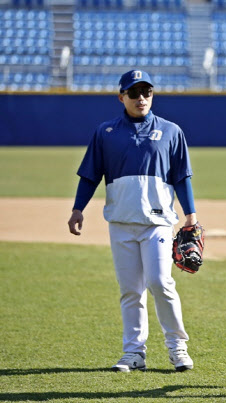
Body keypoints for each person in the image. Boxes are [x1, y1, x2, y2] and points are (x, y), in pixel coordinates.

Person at [67, 70, 199, 373]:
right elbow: (90, 175)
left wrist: (190, 214)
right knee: (130, 290)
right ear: (121, 97)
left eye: (146, 92)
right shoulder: (106, 132)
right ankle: (134, 353)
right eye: (134, 93)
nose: (141, 98)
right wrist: (78, 209)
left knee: (160, 282)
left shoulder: (170, 131)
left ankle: (177, 347)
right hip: (121, 221)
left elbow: (182, 176)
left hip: (157, 222)